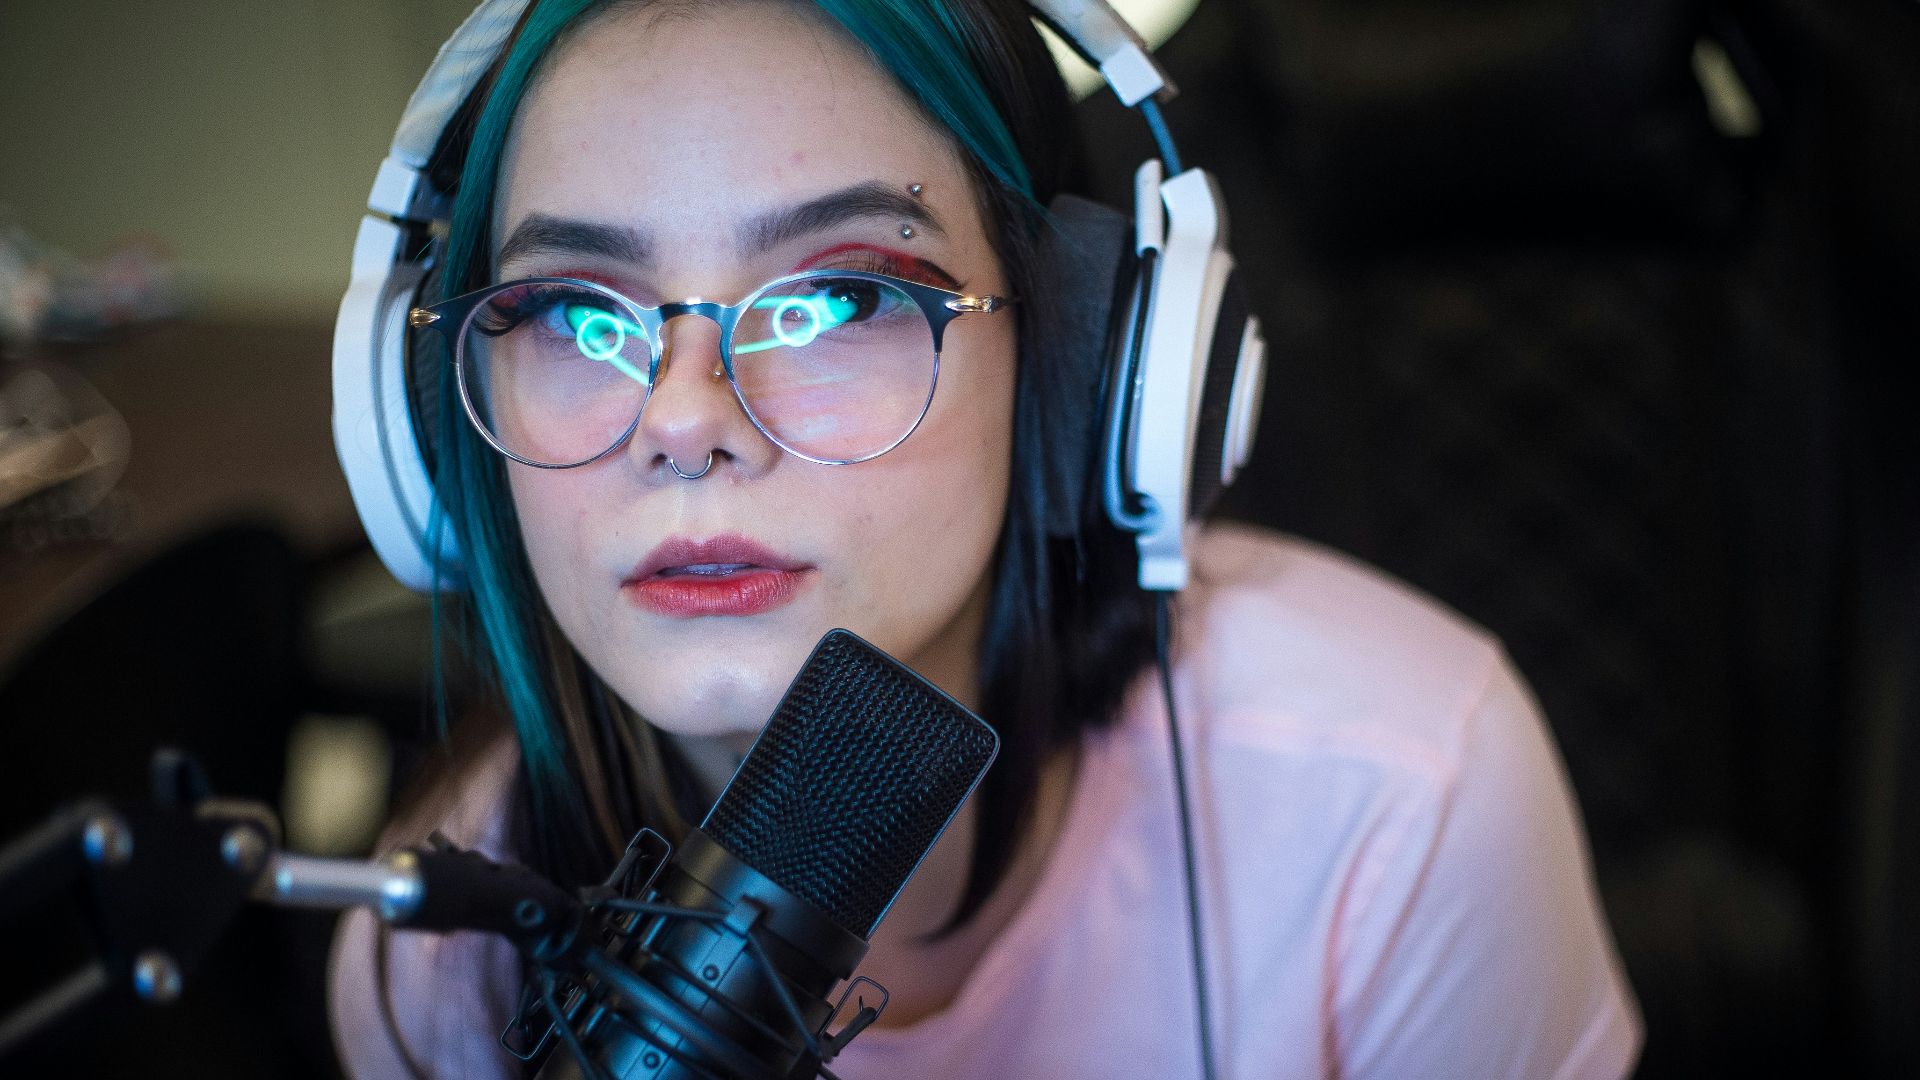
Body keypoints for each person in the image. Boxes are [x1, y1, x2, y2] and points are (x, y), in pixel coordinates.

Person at [327, 0, 1643, 1076]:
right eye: (573, 311)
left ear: (1082, 365)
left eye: (839, 296)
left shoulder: (1398, 799)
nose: (683, 420)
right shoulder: (435, 956)